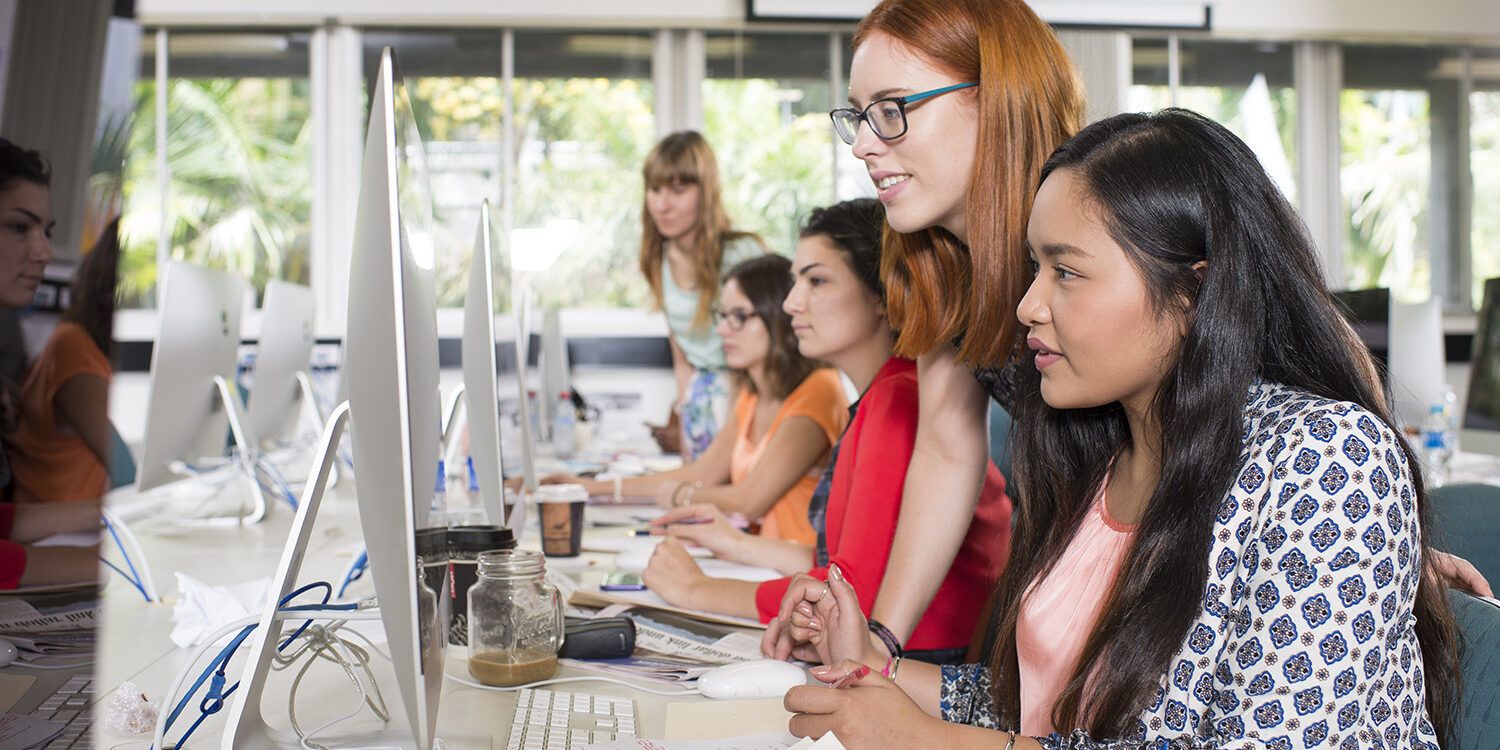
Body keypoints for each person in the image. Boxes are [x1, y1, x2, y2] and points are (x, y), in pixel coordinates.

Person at [766, 0, 1492, 665]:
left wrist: (1355, 540)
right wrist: (879, 648)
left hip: (1219, 549)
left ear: (999, 101)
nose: (864, 144)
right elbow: (945, 450)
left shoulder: (1099, 206)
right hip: (1113, 558)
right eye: (856, 116)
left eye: (892, 110)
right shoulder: (939, 258)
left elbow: (1312, 347)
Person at [780, 109, 1460, 750]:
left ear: (1193, 294)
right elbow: (1041, 711)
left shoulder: (1323, 457)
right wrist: (876, 667)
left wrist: (929, 741)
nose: (1027, 304)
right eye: (1033, 268)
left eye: (1066, 272)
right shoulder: (1101, 457)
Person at [641, 199, 1011, 662]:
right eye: (796, 281)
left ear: (883, 295)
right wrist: (736, 544)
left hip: (920, 662)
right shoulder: (886, 392)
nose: (792, 302)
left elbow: (846, 589)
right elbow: (852, 557)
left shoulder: (901, 398)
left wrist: (697, 589)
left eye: (816, 280)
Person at [548, 255, 847, 545]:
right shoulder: (753, 394)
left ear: (779, 317)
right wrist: (591, 487)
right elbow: (703, 473)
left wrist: (678, 495)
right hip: (756, 560)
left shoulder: (819, 390)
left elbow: (747, 501)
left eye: (740, 317)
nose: (722, 330)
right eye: (723, 315)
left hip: (795, 574)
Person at [0, 138, 100, 588]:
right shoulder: (70, 344)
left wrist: (99, 515)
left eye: (46, 231)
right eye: (20, 228)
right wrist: (114, 565)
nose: (43, 253)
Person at [639, 131, 767, 459]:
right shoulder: (658, 258)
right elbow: (682, 360)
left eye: (678, 190)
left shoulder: (741, 253)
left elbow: (767, 356)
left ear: (704, 192)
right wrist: (686, 432)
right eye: (655, 190)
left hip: (748, 398)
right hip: (700, 402)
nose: (662, 204)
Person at [6, 217, 118, 503]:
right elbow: (129, 465)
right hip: (54, 535)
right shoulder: (73, 346)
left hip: (80, 528)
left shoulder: (96, 348)